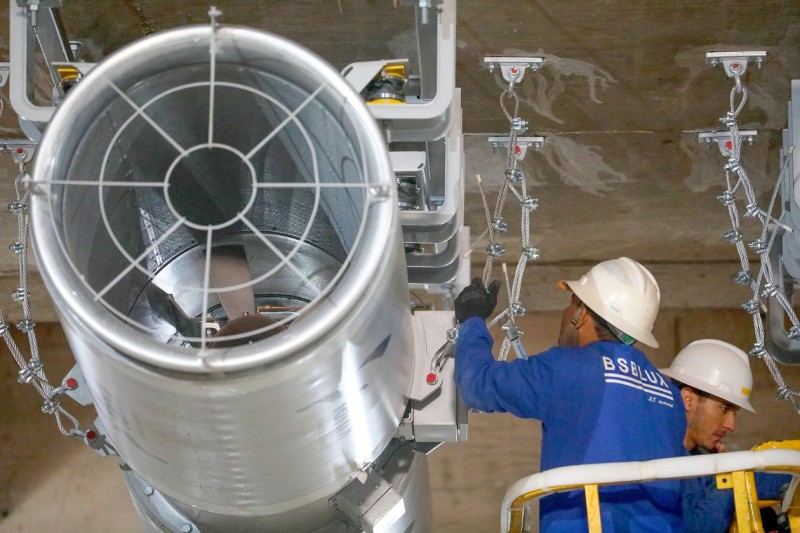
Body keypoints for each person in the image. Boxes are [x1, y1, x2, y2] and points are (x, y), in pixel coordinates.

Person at [453, 257, 687, 533]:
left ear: (582, 313)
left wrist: (472, 319)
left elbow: (477, 384)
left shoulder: (566, 367)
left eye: (572, 302)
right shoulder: (670, 396)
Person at [661, 339, 792, 533]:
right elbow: (690, 529)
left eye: (734, 413)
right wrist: (731, 482)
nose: (731, 425)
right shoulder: (662, 456)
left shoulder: (694, 458)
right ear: (688, 399)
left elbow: (762, 480)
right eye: (724, 408)